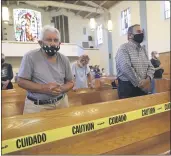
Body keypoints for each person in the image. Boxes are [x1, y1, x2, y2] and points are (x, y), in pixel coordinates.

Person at [17, 25, 74, 114]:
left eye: (55, 40)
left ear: (59, 43)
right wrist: (44, 88)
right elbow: (21, 81)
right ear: (40, 42)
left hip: (61, 103)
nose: (52, 43)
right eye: (49, 40)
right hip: (36, 106)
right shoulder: (30, 57)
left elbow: (70, 82)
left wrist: (61, 89)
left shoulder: (64, 59)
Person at [115, 24, 155, 99]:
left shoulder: (143, 49)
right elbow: (126, 68)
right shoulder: (123, 48)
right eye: (139, 31)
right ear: (130, 35)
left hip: (143, 87)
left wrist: (148, 79)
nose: (141, 34)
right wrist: (140, 83)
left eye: (142, 32)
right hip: (128, 88)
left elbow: (151, 67)